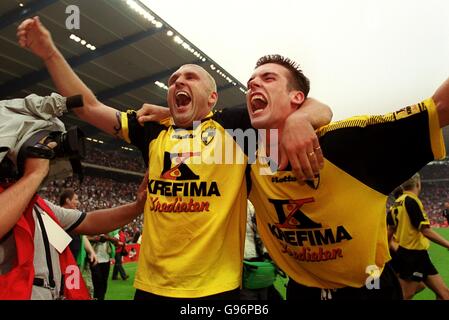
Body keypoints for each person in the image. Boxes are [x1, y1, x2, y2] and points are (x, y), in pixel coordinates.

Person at [17, 17, 333, 299]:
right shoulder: (151, 131)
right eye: (173, 80)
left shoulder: (235, 127)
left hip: (216, 290)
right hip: (152, 287)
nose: (178, 81)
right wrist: (50, 53)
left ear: (212, 97)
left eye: (190, 78)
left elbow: (313, 106)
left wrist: (298, 121)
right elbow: (87, 106)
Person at [243, 54, 449, 300]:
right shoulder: (243, 164)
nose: (253, 84)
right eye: (250, 82)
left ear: (297, 97)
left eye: (268, 78)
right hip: (301, 292)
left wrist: (302, 118)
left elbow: (441, 107)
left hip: (367, 289)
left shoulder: (349, 144)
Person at [0, 150, 148, 299]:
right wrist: (34, 174)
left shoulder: (40, 206)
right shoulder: (12, 206)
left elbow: (89, 221)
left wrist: (137, 207)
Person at [388, 173, 449, 299]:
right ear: (418, 184)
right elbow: (425, 231)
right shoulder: (412, 201)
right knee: (406, 295)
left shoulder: (396, 203)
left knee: (444, 294)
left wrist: (392, 252)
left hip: (418, 255)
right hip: (412, 255)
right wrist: (447, 244)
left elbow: (389, 232)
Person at [59, 188, 97, 296]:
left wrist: (91, 251)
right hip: (63, 266)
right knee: (64, 293)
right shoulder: (58, 216)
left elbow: (82, 236)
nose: (78, 202)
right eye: (75, 199)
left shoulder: (74, 217)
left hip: (74, 264)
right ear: (67, 200)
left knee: (74, 293)